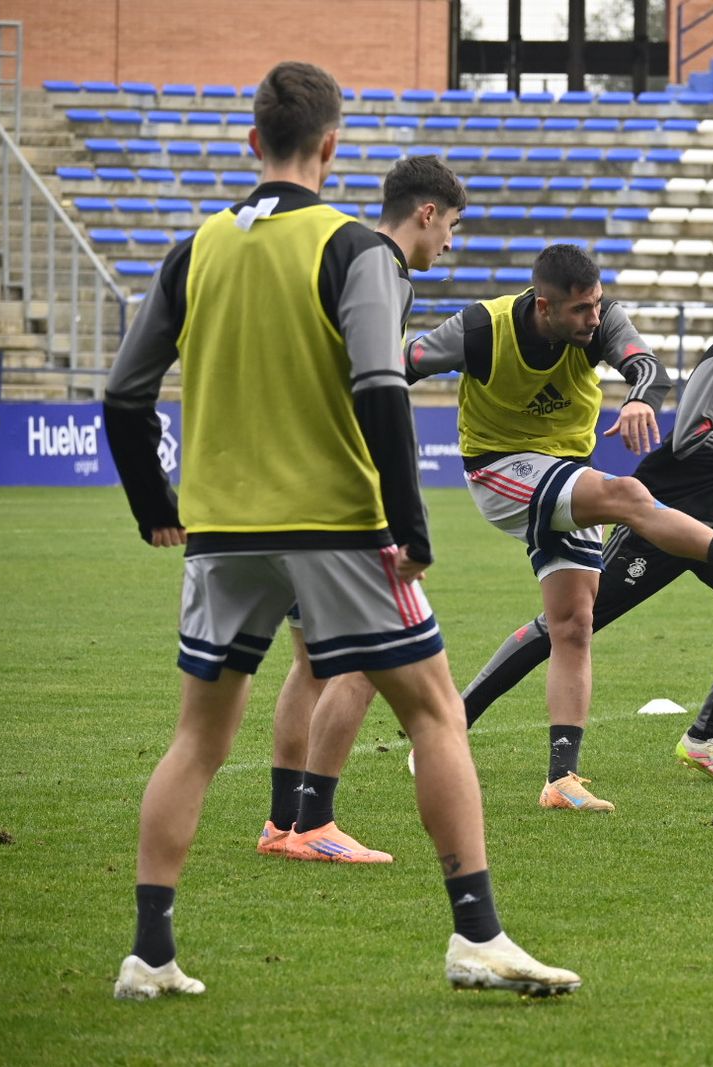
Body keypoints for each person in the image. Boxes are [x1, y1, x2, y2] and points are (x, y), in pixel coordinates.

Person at [102, 60, 578, 1000]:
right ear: (330, 147)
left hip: (221, 530)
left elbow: (123, 396)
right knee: (437, 710)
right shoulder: (354, 248)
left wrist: (154, 506)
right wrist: (410, 521)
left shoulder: (194, 247)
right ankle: (476, 935)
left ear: (251, 144)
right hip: (334, 522)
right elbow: (379, 386)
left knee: (197, 739)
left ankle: (149, 952)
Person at [405, 244, 713, 812]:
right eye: (580, 310)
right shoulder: (478, 328)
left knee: (573, 623)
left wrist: (642, 399)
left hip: (565, 472)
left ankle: (559, 780)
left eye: (597, 305)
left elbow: (647, 367)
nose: (594, 319)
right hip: (498, 469)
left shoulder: (600, 317)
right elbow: (398, 366)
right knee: (626, 495)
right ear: (544, 306)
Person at [255, 156, 467, 866]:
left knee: (312, 662)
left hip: (284, 491)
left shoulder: (339, 257)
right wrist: (407, 519)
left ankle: (284, 823)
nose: (450, 246)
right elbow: (379, 389)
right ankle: (314, 821)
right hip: (341, 498)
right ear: (427, 213)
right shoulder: (379, 265)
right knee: (365, 665)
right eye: (452, 228)